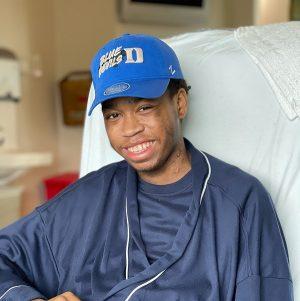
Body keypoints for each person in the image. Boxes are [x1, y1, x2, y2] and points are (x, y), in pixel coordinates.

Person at [0, 34, 294, 301]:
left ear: (179, 103)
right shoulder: (90, 198)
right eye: (114, 115)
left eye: (144, 107)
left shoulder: (240, 202)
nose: (129, 129)